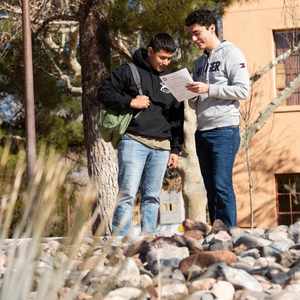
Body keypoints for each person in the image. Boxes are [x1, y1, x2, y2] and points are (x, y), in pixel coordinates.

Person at [98, 33, 184, 236]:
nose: (166, 62)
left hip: (162, 147)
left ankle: (148, 239)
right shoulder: (129, 71)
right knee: (127, 193)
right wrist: (130, 102)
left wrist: (176, 149)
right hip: (134, 141)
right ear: (150, 52)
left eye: (170, 58)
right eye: (162, 57)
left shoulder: (174, 79)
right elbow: (103, 92)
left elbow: (177, 118)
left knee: (152, 197)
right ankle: (120, 240)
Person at [185, 9, 250, 228]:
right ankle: (216, 232)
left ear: (211, 28)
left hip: (224, 130)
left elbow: (242, 91)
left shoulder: (231, 53)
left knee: (222, 185)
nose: (194, 39)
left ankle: (229, 232)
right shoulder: (198, 64)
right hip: (202, 131)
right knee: (210, 187)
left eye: (196, 33)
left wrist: (208, 88)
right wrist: (191, 95)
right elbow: (198, 99)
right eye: (191, 35)